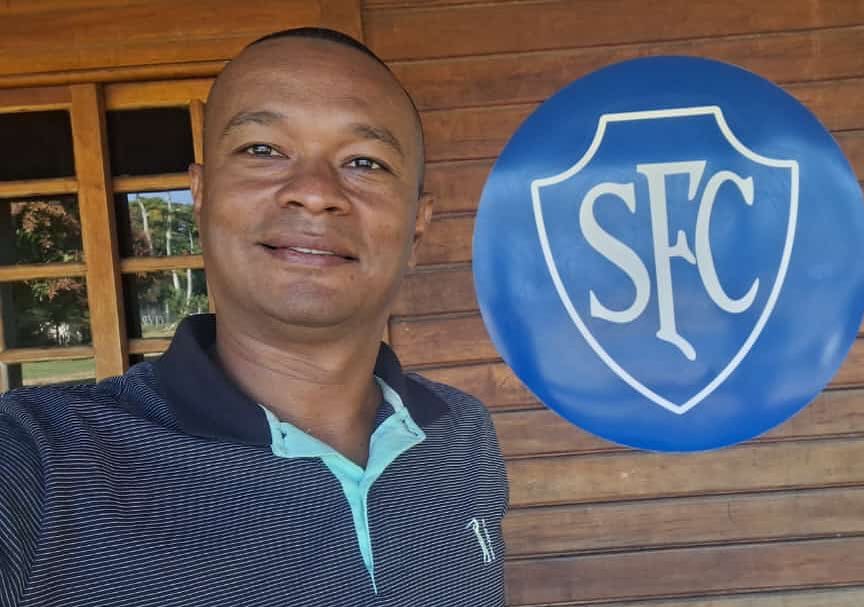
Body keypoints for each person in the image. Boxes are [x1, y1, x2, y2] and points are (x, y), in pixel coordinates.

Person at [0, 28, 507, 606]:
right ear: (201, 194)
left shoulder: (461, 434)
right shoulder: (40, 460)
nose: (314, 193)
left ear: (417, 226)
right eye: (263, 150)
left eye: (364, 162)